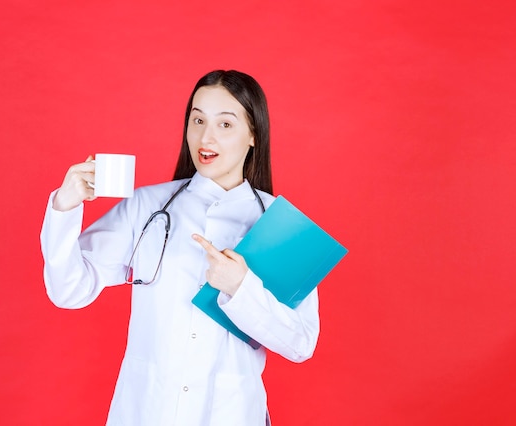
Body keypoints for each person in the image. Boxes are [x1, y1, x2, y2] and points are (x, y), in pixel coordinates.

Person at [40, 70, 320, 426]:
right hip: (146, 411)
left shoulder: (282, 229)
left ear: (253, 134)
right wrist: (65, 207)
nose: (206, 136)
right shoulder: (146, 207)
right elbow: (68, 290)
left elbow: (301, 344)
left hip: (232, 415)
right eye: (198, 119)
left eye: (225, 124)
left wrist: (241, 288)